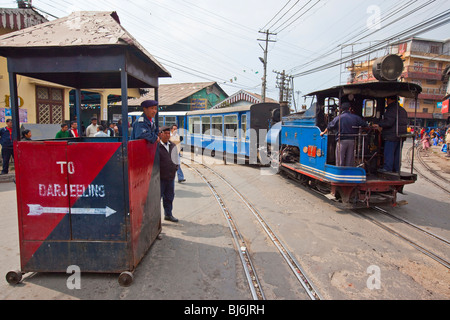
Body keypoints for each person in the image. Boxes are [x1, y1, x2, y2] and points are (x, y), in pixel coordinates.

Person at [320, 102, 368, 167]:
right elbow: (364, 124)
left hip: (341, 141)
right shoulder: (356, 117)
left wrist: (323, 132)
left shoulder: (338, 118)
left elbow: (329, 126)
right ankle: (348, 172)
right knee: (350, 159)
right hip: (352, 140)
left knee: (340, 159)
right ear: (350, 108)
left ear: (341, 109)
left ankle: (340, 172)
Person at [376, 96, 408, 173]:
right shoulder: (403, 110)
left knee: (389, 153)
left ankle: (388, 168)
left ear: (390, 99)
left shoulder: (391, 109)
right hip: (400, 135)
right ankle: (396, 169)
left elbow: (388, 123)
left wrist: (379, 124)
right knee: (397, 154)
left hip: (391, 135)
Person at [159, 126, 179, 222]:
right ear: (160, 134)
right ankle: (155, 218)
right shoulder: (157, 146)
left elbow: (176, 159)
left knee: (169, 197)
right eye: (165, 133)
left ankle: (168, 214)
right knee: (157, 198)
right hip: (160, 178)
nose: (167, 136)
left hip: (170, 177)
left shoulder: (172, 145)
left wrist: (176, 167)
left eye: (168, 134)